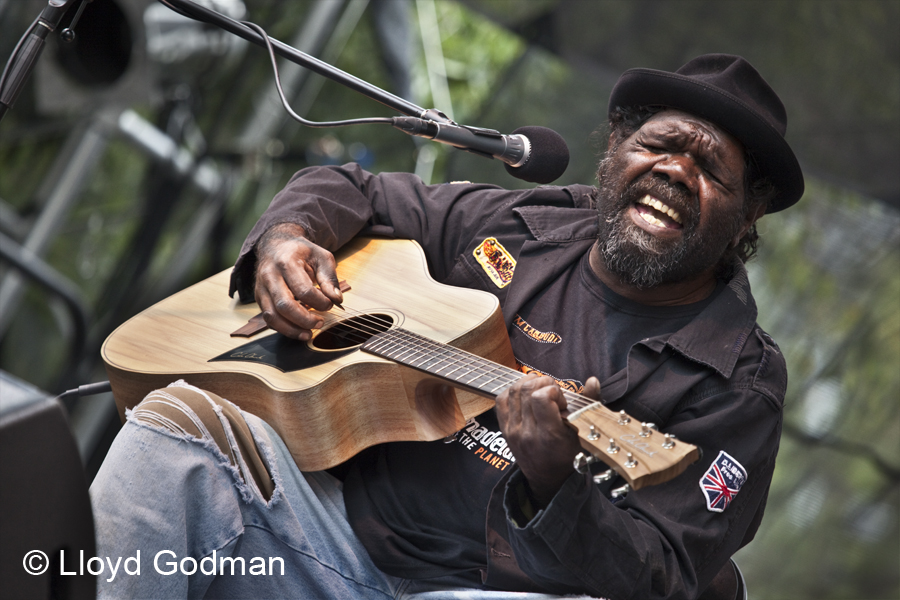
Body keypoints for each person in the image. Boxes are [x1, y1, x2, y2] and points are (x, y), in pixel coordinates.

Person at [91, 54, 803, 600]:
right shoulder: (526, 226)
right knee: (172, 429)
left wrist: (557, 485)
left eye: (711, 169)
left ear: (747, 217)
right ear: (616, 148)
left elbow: (666, 573)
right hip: (320, 536)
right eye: (659, 144)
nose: (675, 170)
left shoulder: (738, 379)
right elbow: (356, 190)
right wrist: (286, 239)